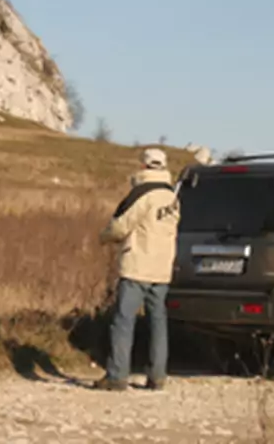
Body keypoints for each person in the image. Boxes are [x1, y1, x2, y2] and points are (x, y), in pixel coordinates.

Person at [93, 148, 181, 391]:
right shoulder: (171, 197)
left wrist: (103, 237)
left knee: (123, 321)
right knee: (158, 322)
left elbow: (121, 226)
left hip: (137, 266)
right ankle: (157, 375)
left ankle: (117, 375)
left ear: (143, 167)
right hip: (162, 268)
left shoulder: (142, 195)